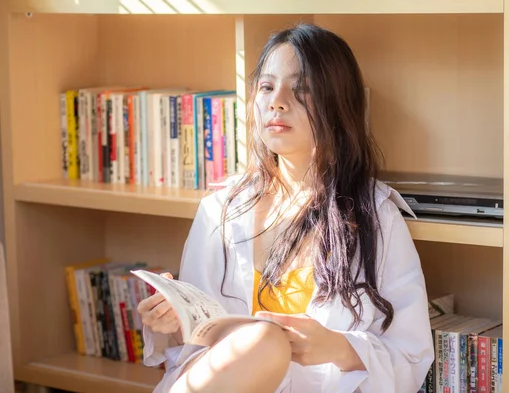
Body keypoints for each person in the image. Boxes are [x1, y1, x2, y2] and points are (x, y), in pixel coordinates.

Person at [137, 23, 434, 393]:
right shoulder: (221, 210)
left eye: (301, 89)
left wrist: (339, 348)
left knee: (267, 341)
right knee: (264, 341)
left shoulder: (377, 217)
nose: (277, 100)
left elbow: (411, 354)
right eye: (266, 86)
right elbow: (198, 340)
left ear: (338, 106)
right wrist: (171, 318)